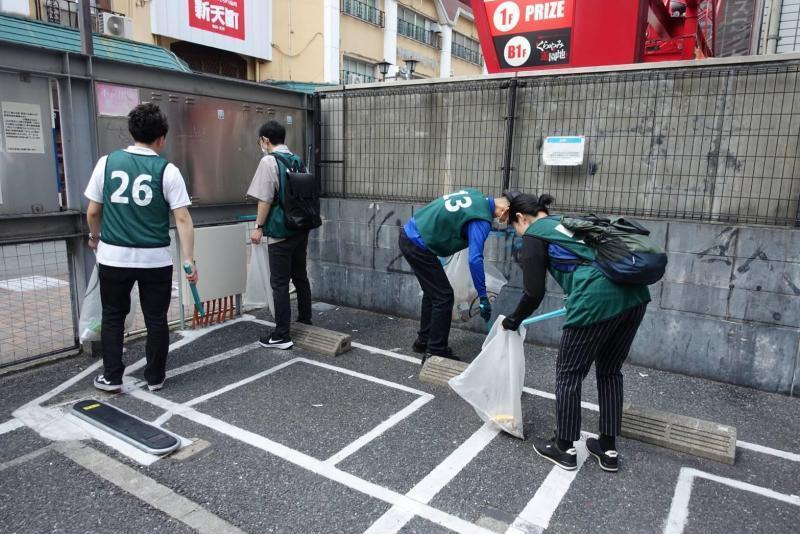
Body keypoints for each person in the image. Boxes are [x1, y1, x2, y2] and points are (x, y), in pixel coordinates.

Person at [502, 193, 650, 472]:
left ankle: (564, 446)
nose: (518, 233)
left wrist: (514, 319)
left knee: (569, 373)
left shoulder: (535, 234)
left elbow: (533, 293)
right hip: (635, 297)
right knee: (609, 371)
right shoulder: (569, 223)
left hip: (596, 301)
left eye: (515, 227)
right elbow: (588, 261)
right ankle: (608, 448)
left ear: (521, 218)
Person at [85, 103, 197, 393]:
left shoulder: (106, 163)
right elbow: (183, 218)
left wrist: (94, 237)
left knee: (112, 315)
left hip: (113, 256)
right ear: (161, 138)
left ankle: (111, 377)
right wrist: (189, 259)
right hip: (155, 259)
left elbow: (93, 212)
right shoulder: (168, 170)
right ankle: (155, 377)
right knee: (156, 318)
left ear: (131, 131)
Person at [400, 189, 515, 362]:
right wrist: (483, 296)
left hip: (410, 234)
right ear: (505, 210)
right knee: (444, 297)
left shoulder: (474, 195)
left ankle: (423, 341)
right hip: (418, 244)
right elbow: (475, 259)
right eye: (509, 219)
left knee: (433, 294)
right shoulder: (482, 219)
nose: (506, 223)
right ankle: (435, 351)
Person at [247, 120, 312, 350]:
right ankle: (305, 319)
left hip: (281, 231)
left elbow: (264, 199)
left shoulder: (269, 161)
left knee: (280, 283)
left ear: (265, 140)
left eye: (260, 141)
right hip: (300, 227)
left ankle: (282, 334)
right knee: (300, 276)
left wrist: (258, 226)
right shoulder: (296, 159)